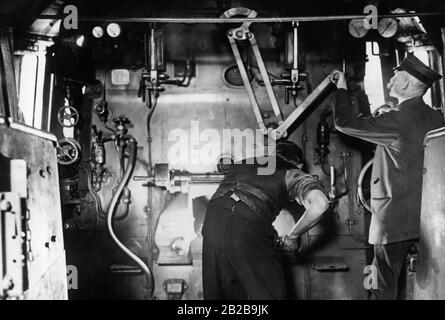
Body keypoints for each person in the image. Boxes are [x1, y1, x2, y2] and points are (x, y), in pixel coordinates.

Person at [332, 53, 444, 299]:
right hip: (429, 222)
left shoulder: (395, 120)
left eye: (394, 77)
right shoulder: (437, 119)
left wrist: (341, 88)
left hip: (393, 223)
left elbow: (343, 122)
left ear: (405, 84)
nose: (390, 81)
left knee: (382, 288)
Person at [202, 140, 329, 300]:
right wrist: (293, 236)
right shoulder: (292, 171)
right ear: (300, 164)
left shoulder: (244, 163)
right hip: (246, 225)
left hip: (212, 225)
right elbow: (320, 205)